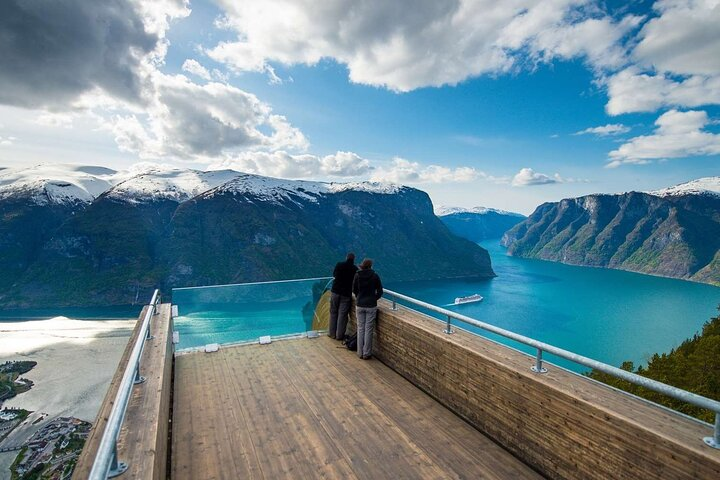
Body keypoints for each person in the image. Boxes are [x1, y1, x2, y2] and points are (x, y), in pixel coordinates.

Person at [352, 258, 383, 359]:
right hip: (370, 305)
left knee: (360, 328)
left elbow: (354, 289)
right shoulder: (375, 276)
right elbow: (380, 291)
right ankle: (366, 353)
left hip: (360, 304)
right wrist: (374, 298)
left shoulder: (357, 275)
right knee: (368, 329)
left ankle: (359, 352)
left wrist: (359, 297)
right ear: (371, 266)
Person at [329, 252, 357, 340]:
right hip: (346, 294)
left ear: (346, 258)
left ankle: (331, 333)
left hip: (335, 291)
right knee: (342, 315)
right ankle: (339, 336)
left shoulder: (339, 265)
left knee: (333, 312)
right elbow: (355, 282)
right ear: (353, 259)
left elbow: (334, 275)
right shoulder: (355, 269)